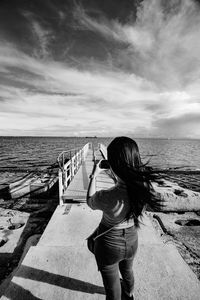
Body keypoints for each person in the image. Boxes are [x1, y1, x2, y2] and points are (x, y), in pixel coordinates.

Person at [87, 136, 162, 300]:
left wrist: (94, 175)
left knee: (112, 288)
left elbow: (89, 201)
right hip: (132, 240)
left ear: (113, 164)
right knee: (128, 271)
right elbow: (126, 186)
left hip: (109, 246)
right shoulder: (143, 190)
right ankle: (129, 293)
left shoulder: (107, 196)